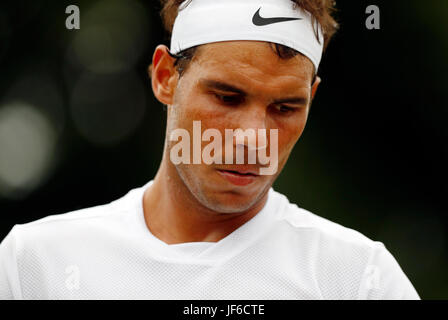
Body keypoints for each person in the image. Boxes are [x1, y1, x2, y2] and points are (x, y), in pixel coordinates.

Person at [0, 0, 419, 299]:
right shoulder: (35, 264)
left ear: (312, 97)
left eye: (285, 107)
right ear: (166, 76)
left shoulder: (358, 280)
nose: (255, 138)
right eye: (227, 97)